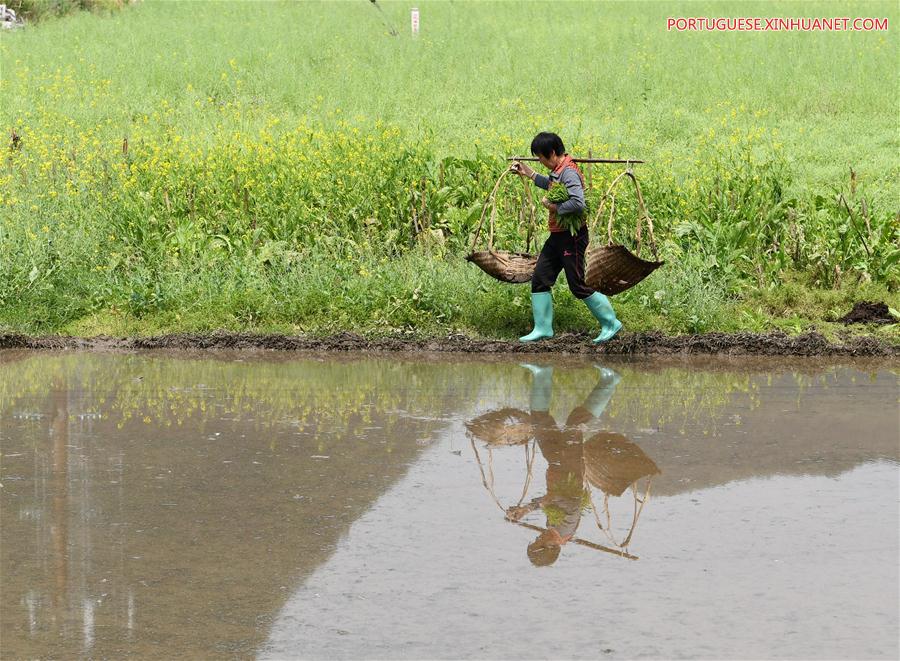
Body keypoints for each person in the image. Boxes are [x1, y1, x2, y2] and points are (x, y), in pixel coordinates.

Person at [510, 132, 622, 344]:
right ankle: (543, 329)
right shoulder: (558, 170)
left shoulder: (568, 172)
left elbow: (578, 203)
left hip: (572, 237)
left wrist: (553, 207)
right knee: (540, 278)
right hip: (557, 236)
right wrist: (529, 173)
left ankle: (610, 323)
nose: (540, 162)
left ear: (552, 153)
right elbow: (551, 185)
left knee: (578, 284)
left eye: (541, 158)